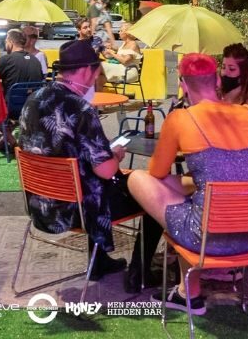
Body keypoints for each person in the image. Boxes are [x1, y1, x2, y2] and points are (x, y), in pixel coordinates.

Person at [128, 53, 248, 315]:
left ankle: (187, 292)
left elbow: (156, 172)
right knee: (192, 193)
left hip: (205, 237)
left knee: (138, 178)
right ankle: (186, 292)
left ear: (182, 84)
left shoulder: (181, 118)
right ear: (217, 79)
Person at [18, 40, 163, 287]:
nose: (99, 80)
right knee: (154, 192)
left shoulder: (34, 99)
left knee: (85, 179)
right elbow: (106, 171)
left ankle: (100, 261)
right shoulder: (81, 108)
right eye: (98, 74)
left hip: (40, 203)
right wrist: (114, 155)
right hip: (77, 211)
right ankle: (140, 273)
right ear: (87, 70)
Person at [0, 28, 44, 96]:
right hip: (32, 103)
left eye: (6, 42)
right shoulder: (35, 60)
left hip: (11, 103)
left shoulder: (6, 60)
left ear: (11, 42)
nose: (6, 45)